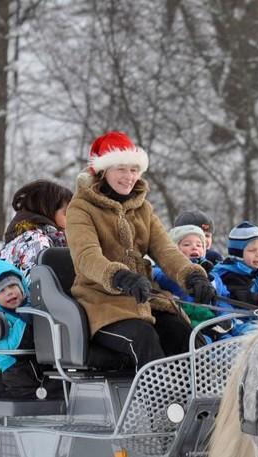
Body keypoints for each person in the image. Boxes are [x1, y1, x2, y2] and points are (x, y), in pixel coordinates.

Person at [64, 131, 217, 370]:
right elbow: (86, 256)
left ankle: (204, 401)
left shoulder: (142, 208)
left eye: (134, 170)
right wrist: (119, 276)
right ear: (103, 171)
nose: (129, 177)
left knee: (184, 335)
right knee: (144, 339)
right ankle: (160, 405)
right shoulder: (81, 209)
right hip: (102, 303)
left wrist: (192, 275)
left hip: (146, 299)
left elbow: (166, 250)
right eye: (121, 169)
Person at [0, 258, 61, 399]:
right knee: (31, 390)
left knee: (58, 384)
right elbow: (13, 347)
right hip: (15, 370)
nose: (10, 292)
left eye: (13, 286)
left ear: (22, 287)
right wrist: (25, 321)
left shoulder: (28, 306)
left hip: (36, 365)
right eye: (2, 290)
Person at [153, 224, 233, 339]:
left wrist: (225, 318)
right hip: (190, 325)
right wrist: (186, 274)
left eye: (199, 245)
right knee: (203, 344)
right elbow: (158, 275)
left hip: (214, 324)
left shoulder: (213, 276)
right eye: (187, 244)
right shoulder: (166, 273)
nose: (194, 247)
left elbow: (223, 300)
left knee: (232, 344)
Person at [0, 179, 73, 276]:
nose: (72, 220)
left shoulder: (22, 239)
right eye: (67, 214)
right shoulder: (38, 242)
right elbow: (41, 287)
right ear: (47, 210)